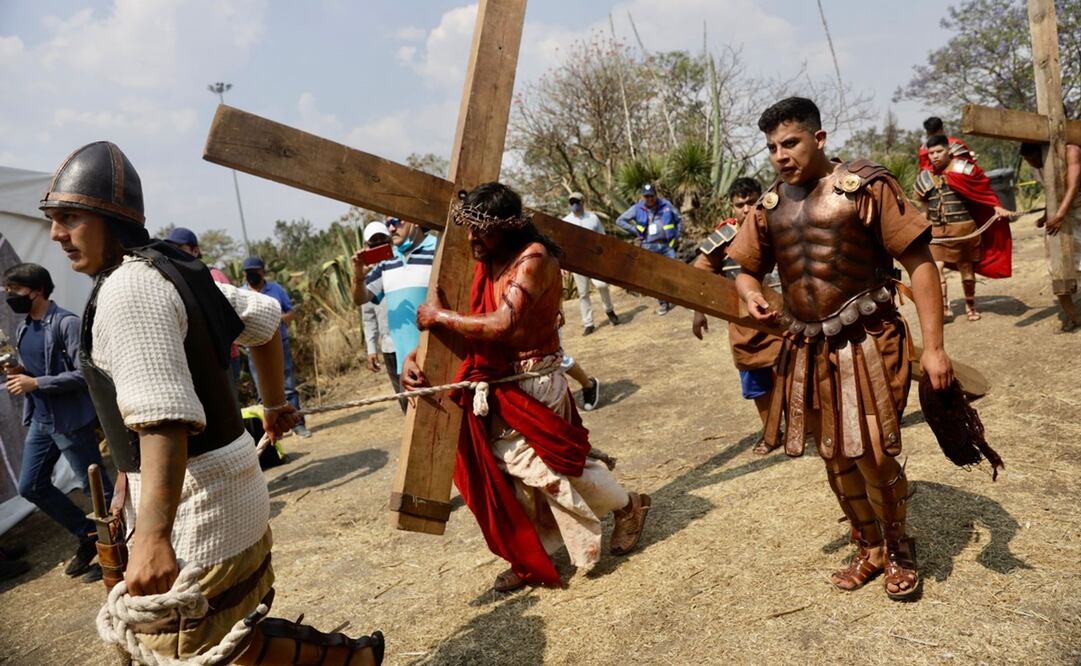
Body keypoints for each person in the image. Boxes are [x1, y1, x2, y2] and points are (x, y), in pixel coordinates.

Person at [42, 141, 383, 664]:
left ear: (111, 218)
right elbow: (266, 320)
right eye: (52, 218)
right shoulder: (169, 268)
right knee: (228, 637)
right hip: (228, 484)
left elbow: (163, 421)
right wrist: (271, 405)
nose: (56, 233)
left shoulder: (129, 290)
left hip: (198, 511)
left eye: (69, 217)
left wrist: (153, 537)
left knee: (194, 647)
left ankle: (347, 660)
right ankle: (350, 658)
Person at [728, 98, 955, 600]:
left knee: (873, 450)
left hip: (869, 339)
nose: (780, 155)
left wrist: (935, 348)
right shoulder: (768, 206)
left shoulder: (866, 186)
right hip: (807, 347)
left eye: (790, 142)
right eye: (771, 148)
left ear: (819, 138)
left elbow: (920, 263)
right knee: (834, 452)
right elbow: (745, 269)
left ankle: (898, 546)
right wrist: (750, 294)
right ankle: (869, 546)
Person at [404, 182, 651, 593]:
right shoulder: (487, 261)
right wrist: (417, 357)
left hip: (534, 381)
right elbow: (471, 320)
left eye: (481, 230)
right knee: (515, 478)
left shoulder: (532, 259)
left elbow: (503, 324)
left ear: (508, 227)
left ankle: (629, 507)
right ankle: (530, 556)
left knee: (555, 467)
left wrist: (440, 317)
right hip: (496, 383)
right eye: (468, 229)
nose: (471, 239)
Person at [3, 262, 112, 583]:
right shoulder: (24, 327)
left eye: (15, 290)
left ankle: (120, 550)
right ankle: (89, 535)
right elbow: (37, 370)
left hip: (70, 421)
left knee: (96, 490)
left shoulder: (66, 324)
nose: (10, 296)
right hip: (41, 419)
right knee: (31, 486)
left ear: (36, 291)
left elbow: (84, 374)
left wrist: (37, 384)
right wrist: (23, 374)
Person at [690, 178, 784, 454]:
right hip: (746, 326)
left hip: (786, 316)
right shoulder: (724, 238)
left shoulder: (781, 224)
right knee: (757, 384)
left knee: (795, 376)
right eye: (739, 204)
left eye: (751, 201)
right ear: (732, 207)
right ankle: (770, 434)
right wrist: (699, 313)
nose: (745, 209)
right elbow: (699, 276)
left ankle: (808, 427)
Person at [914, 134, 1013, 321]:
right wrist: (920, 226)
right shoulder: (925, 176)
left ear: (948, 151)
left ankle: (970, 307)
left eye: (938, 151)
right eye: (931, 153)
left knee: (966, 268)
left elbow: (982, 192)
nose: (934, 156)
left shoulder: (963, 170)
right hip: (938, 231)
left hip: (964, 229)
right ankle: (944, 308)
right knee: (936, 269)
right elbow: (924, 207)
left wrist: (997, 207)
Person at [350, 217, 437, 382]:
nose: (390, 229)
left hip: (434, 357)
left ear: (415, 220)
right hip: (401, 363)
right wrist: (358, 277)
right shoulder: (387, 261)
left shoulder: (438, 249)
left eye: (396, 222)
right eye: (387, 223)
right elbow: (360, 299)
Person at [164, 226, 241, 391]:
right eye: (170, 248)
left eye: (179, 248)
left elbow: (229, 315)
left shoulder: (213, 276)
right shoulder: (176, 279)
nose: (173, 252)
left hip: (223, 358)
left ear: (195, 250)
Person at [242, 256, 311, 438]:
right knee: (261, 390)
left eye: (254, 272)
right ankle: (271, 432)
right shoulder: (241, 293)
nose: (251, 276)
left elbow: (291, 313)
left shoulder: (276, 290)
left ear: (263, 272)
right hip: (253, 348)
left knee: (288, 385)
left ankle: (298, 425)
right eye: (247, 273)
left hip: (280, 343)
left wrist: (273, 319)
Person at [1020, 141, 1081, 330]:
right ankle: (1074, 316)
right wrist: (1047, 216)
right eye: (1028, 161)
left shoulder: (1071, 151)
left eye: (1034, 159)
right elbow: (1053, 191)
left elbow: (1073, 186)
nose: (1033, 164)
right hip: (1059, 216)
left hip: (1077, 211)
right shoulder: (1040, 167)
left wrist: (1060, 215)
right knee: (1056, 267)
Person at [359, 221, 407, 413]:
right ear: (366, 248)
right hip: (389, 347)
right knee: (403, 399)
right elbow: (368, 316)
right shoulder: (368, 279)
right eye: (374, 243)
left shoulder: (403, 263)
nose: (379, 246)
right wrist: (371, 348)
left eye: (382, 240)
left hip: (411, 341)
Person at [616, 184, 683, 315]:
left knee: (676, 272)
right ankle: (663, 303)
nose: (649, 199)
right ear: (643, 197)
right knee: (656, 277)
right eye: (647, 196)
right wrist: (635, 231)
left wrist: (677, 235)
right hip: (648, 246)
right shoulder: (637, 208)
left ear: (655, 195)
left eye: (651, 196)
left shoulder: (666, 205)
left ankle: (684, 300)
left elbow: (679, 219)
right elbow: (620, 220)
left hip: (667, 245)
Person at [561, 192, 620, 334]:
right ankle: (588, 323)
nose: (574, 205)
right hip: (577, 261)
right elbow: (563, 244)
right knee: (583, 293)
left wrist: (605, 257)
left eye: (577, 201)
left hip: (594, 260)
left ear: (583, 202)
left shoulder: (592, 218)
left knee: (602, 285)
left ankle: (609, 310)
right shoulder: (565, 221)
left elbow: (602, 237)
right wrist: (563, 263)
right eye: (572, 202)